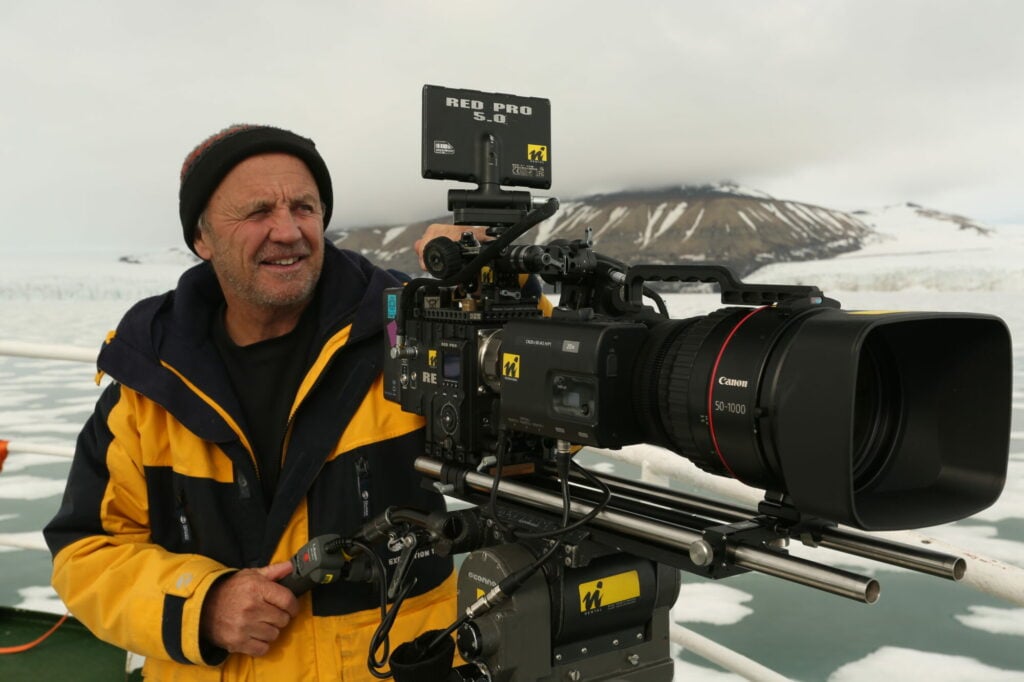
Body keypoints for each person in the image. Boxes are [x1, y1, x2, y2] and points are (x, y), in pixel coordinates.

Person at [44, 124, 460, 681]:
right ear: (203, 238)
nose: (287, 231)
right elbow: (86, 553)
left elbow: (549, 420)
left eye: (305, 208)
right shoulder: (150, 378)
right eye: (258, 211)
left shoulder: (407, 334)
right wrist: (203, 606)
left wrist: (505, 295)